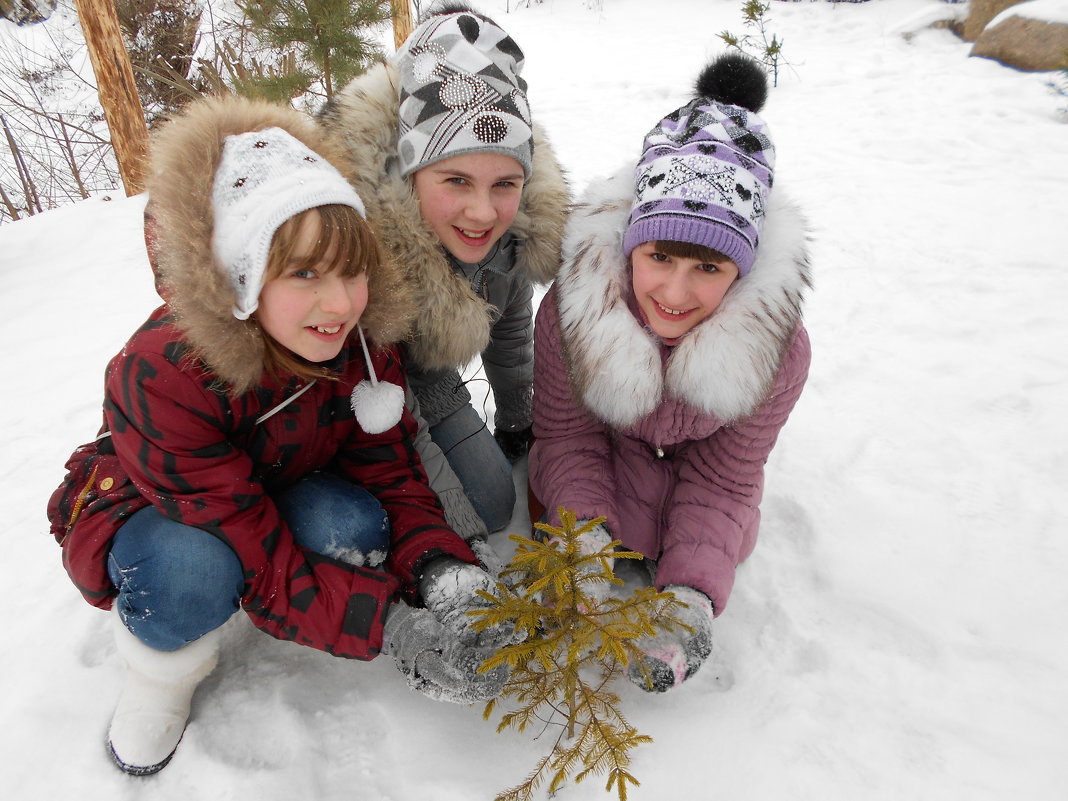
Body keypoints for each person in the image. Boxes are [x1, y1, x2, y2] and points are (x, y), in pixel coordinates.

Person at [47, 96, 512, 776]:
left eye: (353, 271)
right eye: (303, 273)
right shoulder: (163, 374)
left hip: (274, 482)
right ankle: (160, 675)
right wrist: (388, 625)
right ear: (241, 274)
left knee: (356, 520)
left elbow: (392, 472)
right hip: (161, 510)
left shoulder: (353, 343)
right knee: (195, 571)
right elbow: (251, 547)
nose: (340, 302)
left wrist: (442, 570)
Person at [527, 53, 812, 693]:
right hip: (603, 463)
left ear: (744, 269)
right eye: (659, 257)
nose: (675, 292)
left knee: (724, 537)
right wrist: (583, 545)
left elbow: (727, 472)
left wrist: (689, 591)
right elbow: (568, 436)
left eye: (708, 268)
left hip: (700, 486)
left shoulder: (776, 351)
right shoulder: (574, 313)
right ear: (632, 243)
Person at [320, 3, 569, 553]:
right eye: (456, 179)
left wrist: (517, 420)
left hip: (430, 379)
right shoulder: (360, 236)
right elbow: (377, 382)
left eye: (504, 183)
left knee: (497, 503)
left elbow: (507, 326)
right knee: (470, 514)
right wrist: (448, 521)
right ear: (410, 171)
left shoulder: (516, 225)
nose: (482, 212)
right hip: (358, 400)